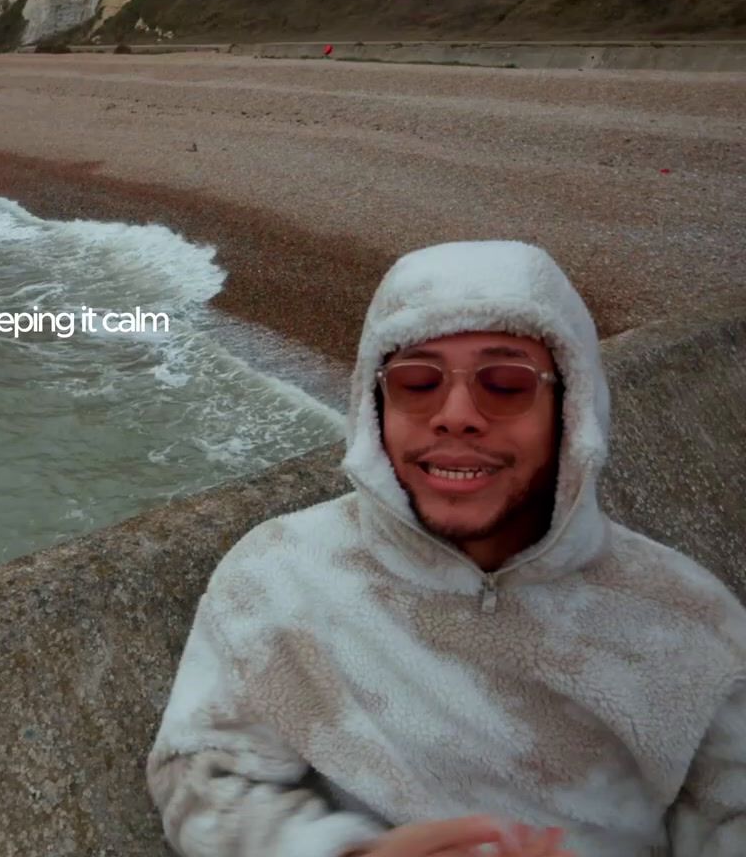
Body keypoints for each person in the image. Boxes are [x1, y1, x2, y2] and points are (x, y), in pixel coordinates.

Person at [147, 240, 746, 857]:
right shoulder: (278, 575)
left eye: (507, 383)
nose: (456, 415)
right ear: (373, 406)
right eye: (416, 381)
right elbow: (201, 777)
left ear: (574, 406)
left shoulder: (691, 624)